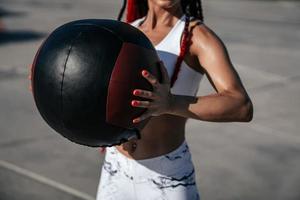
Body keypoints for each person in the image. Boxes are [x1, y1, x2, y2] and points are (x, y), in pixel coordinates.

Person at [97, 0, 253, 199]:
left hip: (167, 175)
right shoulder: (128, 29)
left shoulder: (197, 37)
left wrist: (170, 103)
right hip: (115, 167)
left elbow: (241, 105)